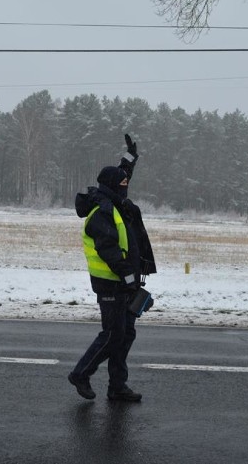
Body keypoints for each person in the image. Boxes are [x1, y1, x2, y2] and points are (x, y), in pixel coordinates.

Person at [68, 134, 157, 402]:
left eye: (125, 184)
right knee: (112, 335)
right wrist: (130, 279)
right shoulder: (102, 212)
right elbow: (110, 253)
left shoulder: (115, 202)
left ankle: (117, 387)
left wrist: (130, 157)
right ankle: (81, 373)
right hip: (111, 284)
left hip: (125, 283)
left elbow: (119, 176)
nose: (125, 188)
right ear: (111, 188)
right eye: (122, 185)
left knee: (126, 333)